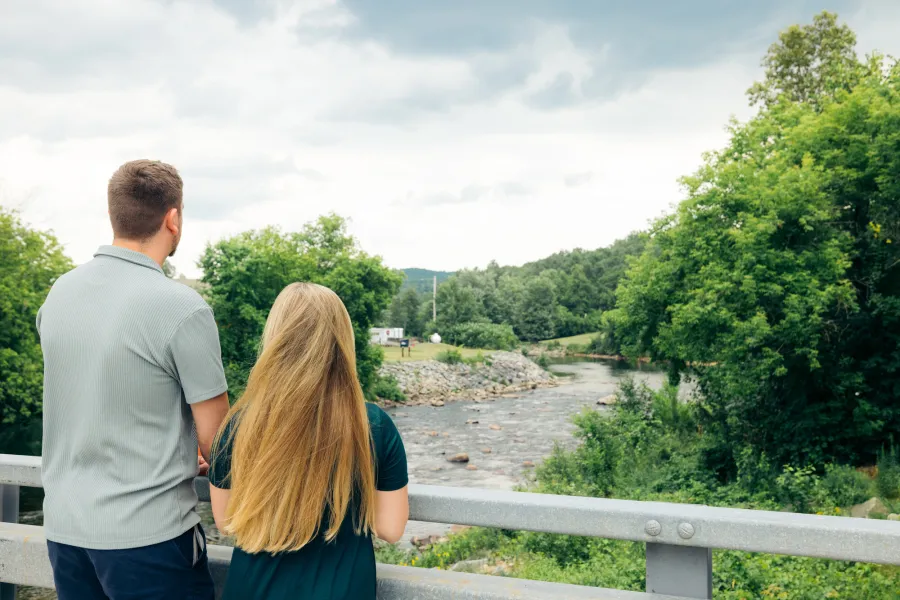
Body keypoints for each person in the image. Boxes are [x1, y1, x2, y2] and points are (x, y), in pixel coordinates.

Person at [37, 160, 230, 599]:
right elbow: (220, 441)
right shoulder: (182, 308)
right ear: (173, 218)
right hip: (150, 539)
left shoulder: (59, 293)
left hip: (66, 533)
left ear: (113, 216)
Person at [208, 283, 409, 600]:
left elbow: (226, 522)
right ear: (342, 342)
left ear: (275, 339)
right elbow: (391, 527)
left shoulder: (237, 426)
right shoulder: (373, 425)